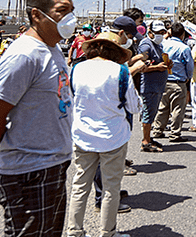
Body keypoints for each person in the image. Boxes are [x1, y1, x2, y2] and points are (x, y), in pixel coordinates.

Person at [0, 0, 76, 236]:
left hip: (51, 166)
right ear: (37, 14)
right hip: (29, 173)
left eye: (71, 10)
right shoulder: (25, 54)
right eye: (62, 10)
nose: (69, 17)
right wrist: (2, 141)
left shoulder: (52, 48)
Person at [67, 32, 141, 237]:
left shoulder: (76, 69)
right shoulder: (120, 71)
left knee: (80, 185)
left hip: (82, 135)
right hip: (113, 137)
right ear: (116, 52)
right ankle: (107, 232)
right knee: (111, 187)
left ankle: (74, 231)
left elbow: (69, 102)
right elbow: (134, 107)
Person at [152, 22, 194, 143]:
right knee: (177, 109)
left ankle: (157, 130)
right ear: (182, 34)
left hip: (163, 80)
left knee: (162, 107)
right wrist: (188, 77)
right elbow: (189, 66)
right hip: (178, 82)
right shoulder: (184, 48)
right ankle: (175, 134)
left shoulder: (163, 45)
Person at [138, 20, 171, 152]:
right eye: (157, 33)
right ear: (150, 33)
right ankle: (145, 141)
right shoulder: (146, 45)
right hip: (149, 86)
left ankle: (149, 137)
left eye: (162, 32)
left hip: (157, 86)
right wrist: (157, 67)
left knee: (152, 113)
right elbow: (140, 66)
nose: (161, 35)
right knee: (147, 113)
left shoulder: (158, 45)